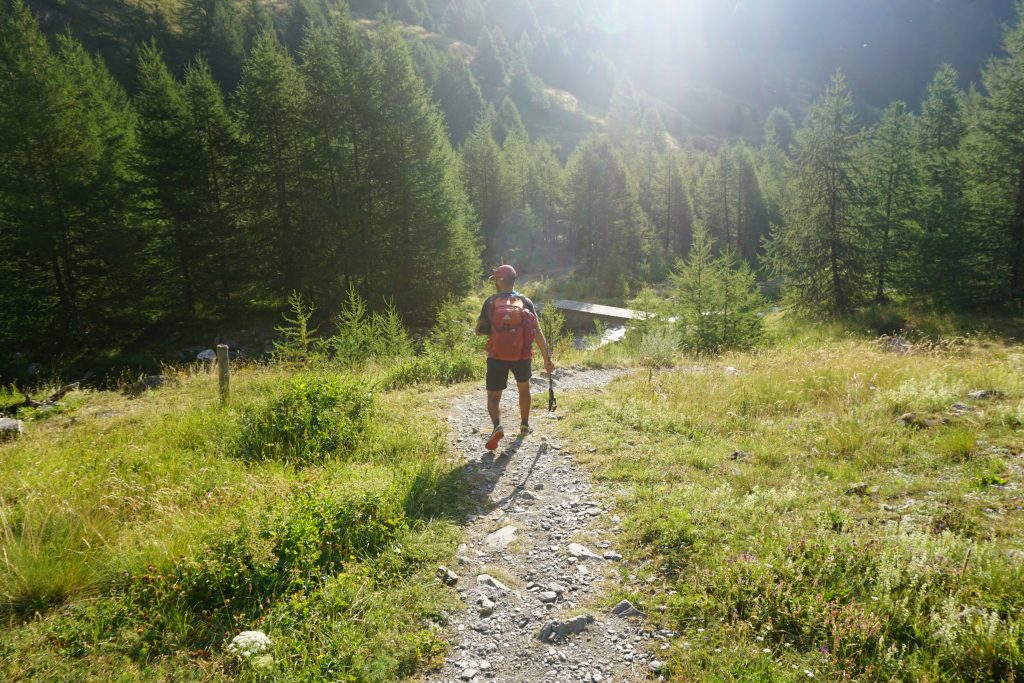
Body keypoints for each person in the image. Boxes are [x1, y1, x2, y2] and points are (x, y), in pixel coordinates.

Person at [475, 264, 555, 451]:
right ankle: (525, 424)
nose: (494, 282)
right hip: (522, 355)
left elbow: (478, 330)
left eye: (495, 279)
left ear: (500, 280)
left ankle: (497, 426)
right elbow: (537, 332)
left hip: (497, 355)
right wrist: (547, 359)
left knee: (493, 396)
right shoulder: (525, 301)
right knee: (524, 389)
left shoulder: (490, 302)